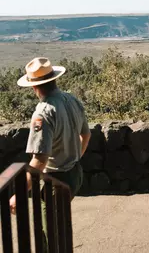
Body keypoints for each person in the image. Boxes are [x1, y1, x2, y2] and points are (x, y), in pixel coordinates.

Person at [9, 57, 91, 248]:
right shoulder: (72, 99)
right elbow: (86, 135)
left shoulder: (43, 113)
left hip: (56, 181)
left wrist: (19, 193)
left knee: (52, 237)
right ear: (54, 78)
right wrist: (74, 157)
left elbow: (39, 160)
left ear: (34, 87)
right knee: (54, 230)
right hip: (75, 173)